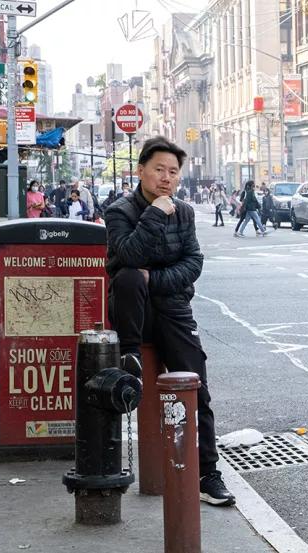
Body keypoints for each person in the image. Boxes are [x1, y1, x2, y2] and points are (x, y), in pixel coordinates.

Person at [104, 136, 234, 507]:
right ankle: (129, 356)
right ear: (140, 170)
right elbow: (128, 256)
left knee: (197, 390)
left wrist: (155, 279)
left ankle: (208, 473)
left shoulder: (187, 212)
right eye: (158, 169)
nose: (166, 178)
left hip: (174, 310)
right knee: (128, 277)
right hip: (135, 314)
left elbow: (194, 264)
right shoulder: (119, 211)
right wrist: (156, 213)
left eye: (173, 172)